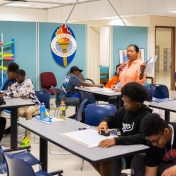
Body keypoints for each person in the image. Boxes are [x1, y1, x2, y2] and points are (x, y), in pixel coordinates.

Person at [91, 82, 152, 176]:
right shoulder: (124, 111)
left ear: (137, 102)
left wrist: (116, 141)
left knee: (105, 163)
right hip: (122, 148)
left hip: (134, 153)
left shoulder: (145, 116)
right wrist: (104, 122)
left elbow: (141, 137)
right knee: (93, 158)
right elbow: (112, 119)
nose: (124, 104)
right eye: (123, 100)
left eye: (127, 102)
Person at [0, 69, 40, 147]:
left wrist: (6, 95)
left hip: (33, 103)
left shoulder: (28, 83)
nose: (16, 79)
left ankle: (27, 137)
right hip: (23, 105)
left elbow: (19, 93)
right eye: (16, 78)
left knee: (28, 112)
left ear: (23, 76)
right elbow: (11, 90)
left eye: (18, 77)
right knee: (15, 112)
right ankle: (13, 130)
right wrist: (5, 92)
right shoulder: (18, 83)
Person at [2, 62, 19, 134]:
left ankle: (11, 128)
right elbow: (2, 90)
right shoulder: (8, 81)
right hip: (5, 102)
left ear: (14, 73)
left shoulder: (18, 82)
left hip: (13, 104)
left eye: (9, 73)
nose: (7, 74)